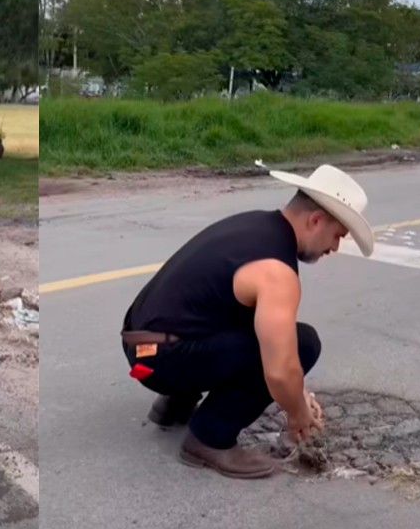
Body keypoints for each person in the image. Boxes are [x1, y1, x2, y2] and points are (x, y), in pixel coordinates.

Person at [119, 164, 375, 479]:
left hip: (138, 342)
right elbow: (281, 371)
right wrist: (299, 415)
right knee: (304, 343)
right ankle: (209, 438)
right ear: (316, 220)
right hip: (163, 360)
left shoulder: (255, 226)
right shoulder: (276, 272)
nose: (334, 247)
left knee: (237, 318)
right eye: (337, 235)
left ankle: (175, 404)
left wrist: (299, 392)